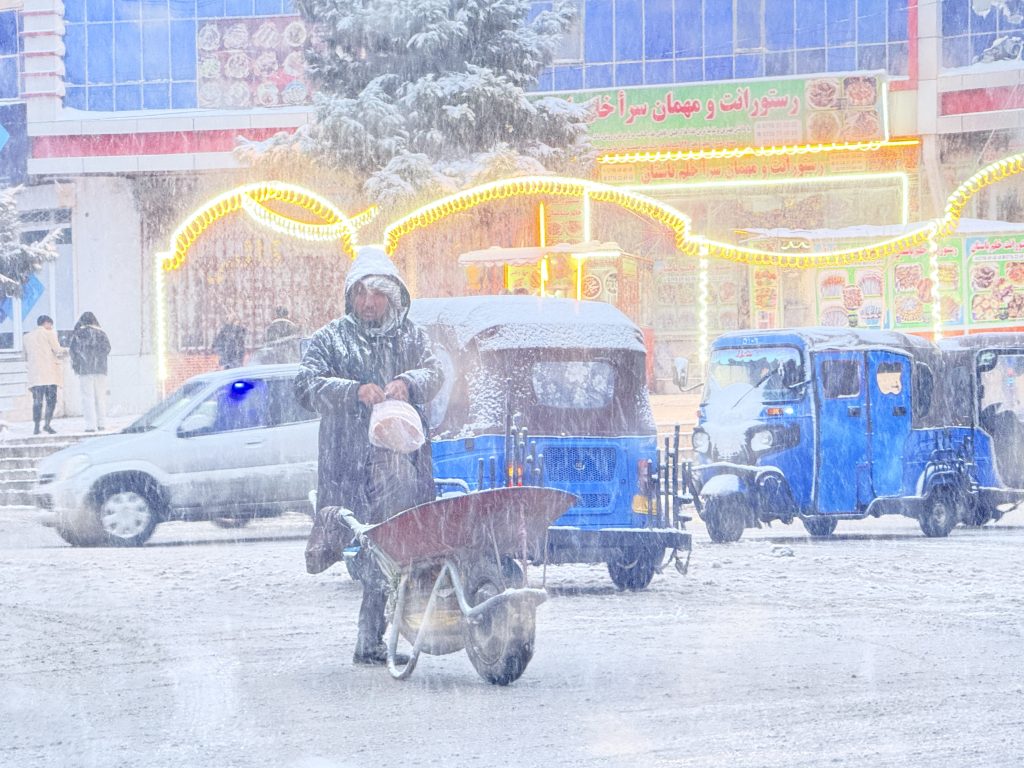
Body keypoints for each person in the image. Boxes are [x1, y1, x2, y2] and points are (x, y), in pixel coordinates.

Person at [295, 244, 443, 666]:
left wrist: (408, 383)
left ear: (393, 296)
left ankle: (385, 633)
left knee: (399, 543)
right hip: (350, 464)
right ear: (350, 296)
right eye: (360, 293)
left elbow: (435, 373)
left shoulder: (412, 337)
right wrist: (352, 391)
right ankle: (373, 634)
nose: (368, 302)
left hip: (405, 462)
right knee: (377, 544)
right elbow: (304, 385)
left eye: (376, 293)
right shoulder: (331, 338)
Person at [69, 311, 111, 433]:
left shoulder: (78, 334)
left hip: (85, 370)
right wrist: (98, 357)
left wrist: (79, 362)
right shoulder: (101, 333)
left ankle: (90, 425)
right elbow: (108, 348)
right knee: (100, 397)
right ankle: (101, 423)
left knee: (87, 397)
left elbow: (73, 351)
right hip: (100, 369)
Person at [24, 314, 64, 435]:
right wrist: (66, 350)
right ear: (46, 323)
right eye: (50, 325)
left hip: (35, 375)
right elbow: (57, 349)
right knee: (51, 400)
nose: (51, 327)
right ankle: (47, 424)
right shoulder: (48, 333)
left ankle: (36, 426)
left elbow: (24, 356)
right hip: (49, 374)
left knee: (37, 401)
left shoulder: (26, 337)